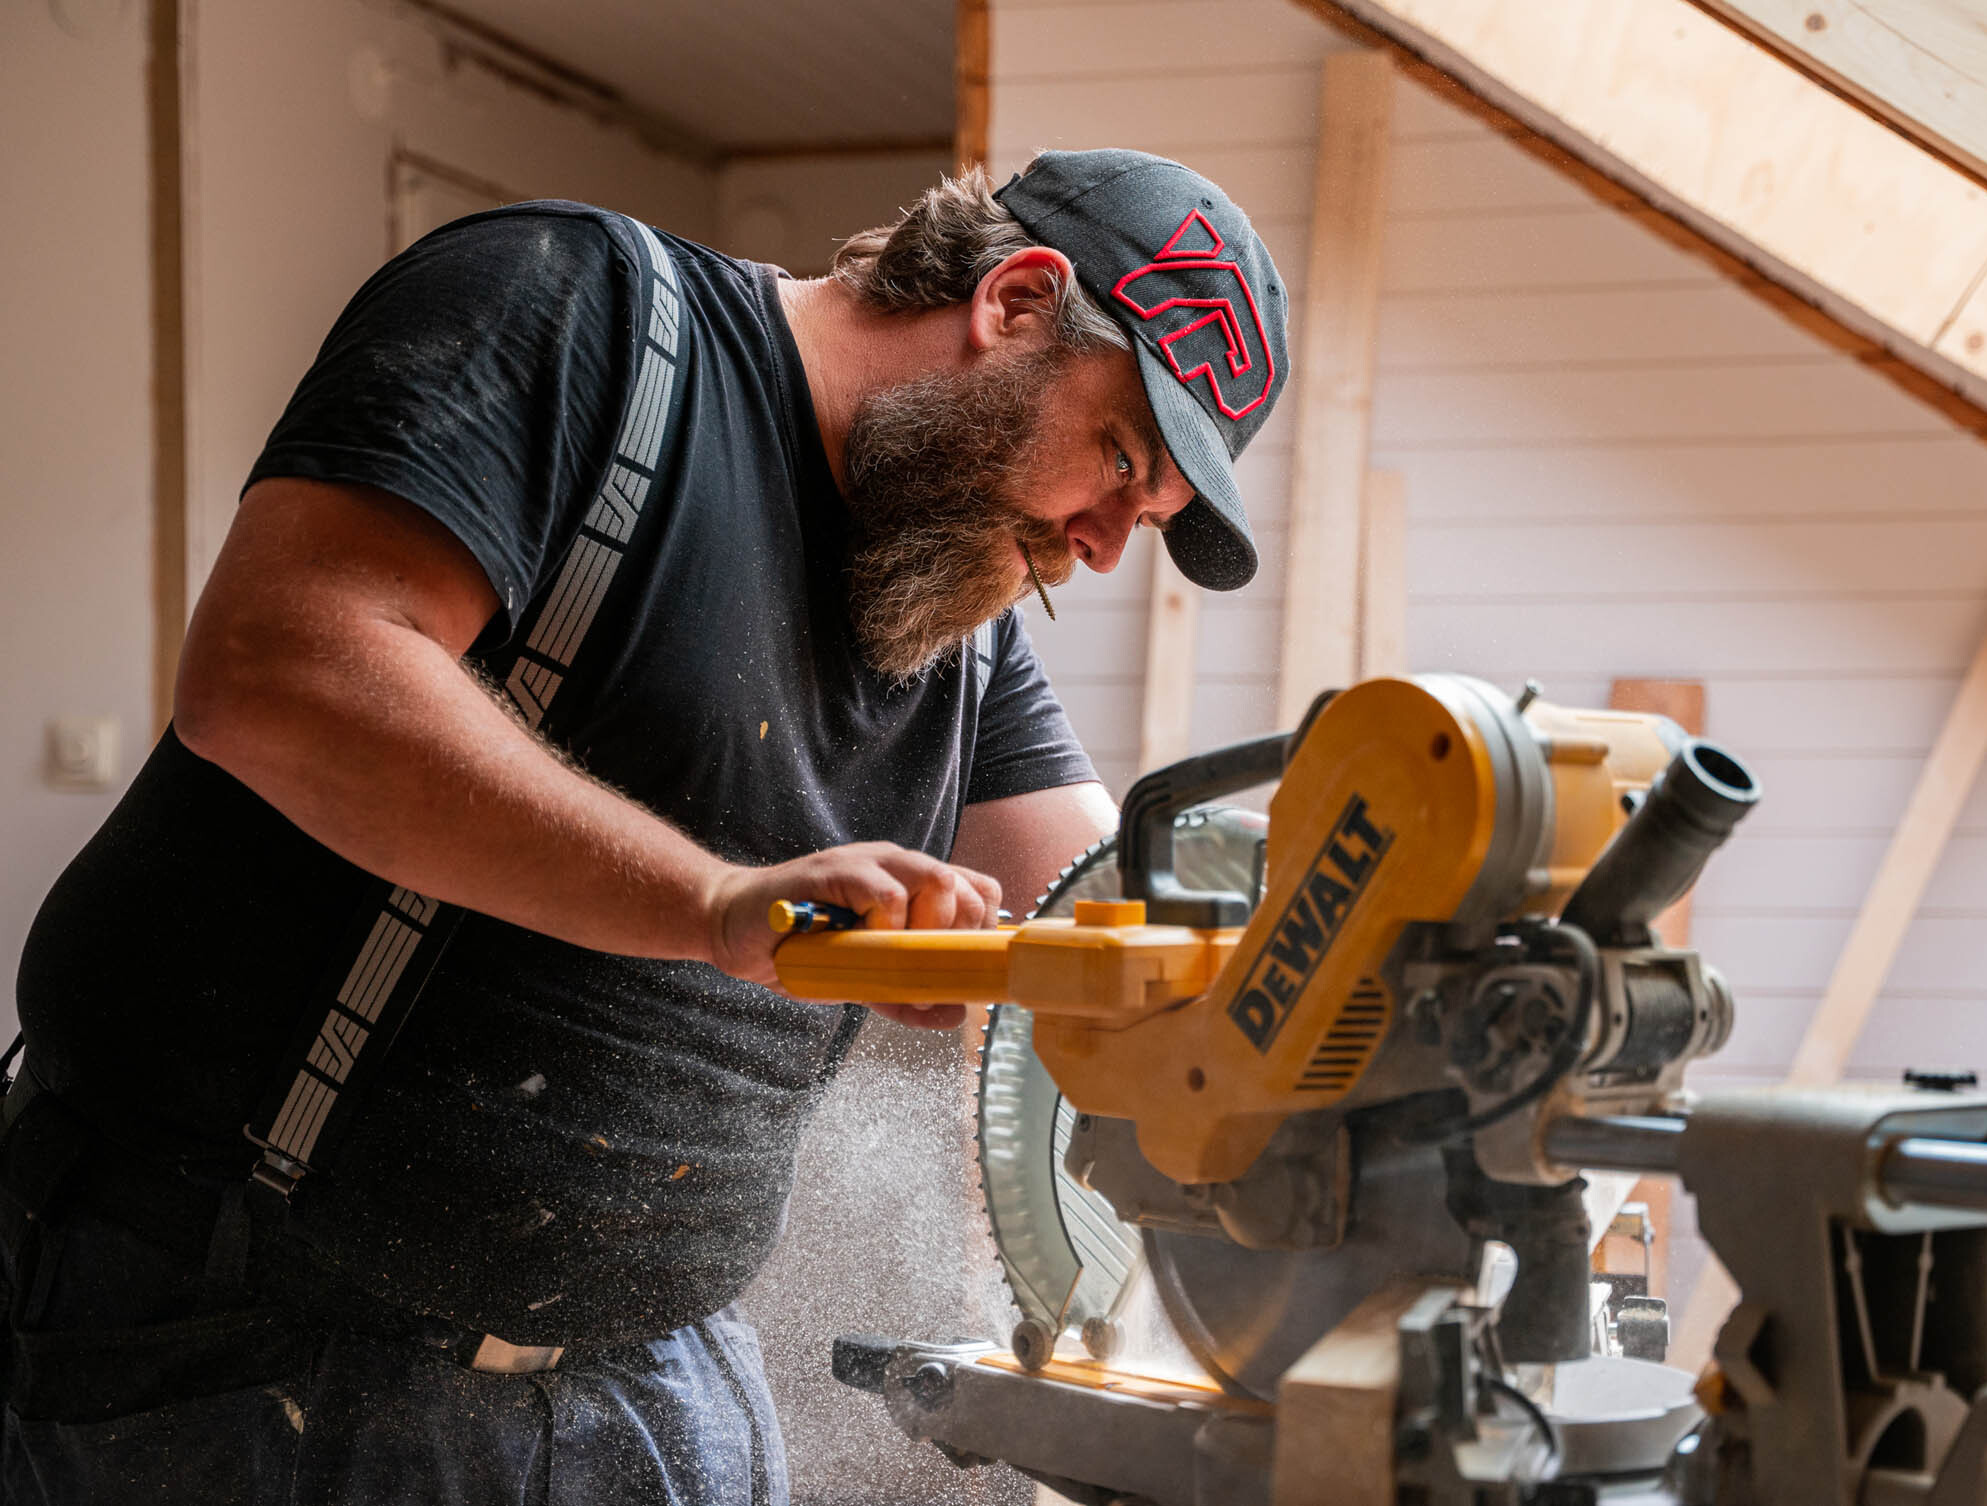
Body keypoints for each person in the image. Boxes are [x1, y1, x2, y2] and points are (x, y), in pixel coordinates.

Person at [4, 148, 1289, 1503]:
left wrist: (1325, 951)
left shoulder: (952, 618)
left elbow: (1107, 901)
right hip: (245, 1352)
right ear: (1017, 301)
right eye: (1120, 458)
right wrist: (715, 903)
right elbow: (281, 667)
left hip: (654, 1375)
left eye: (1139, 522)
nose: (1099, 545)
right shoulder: (583, 315)